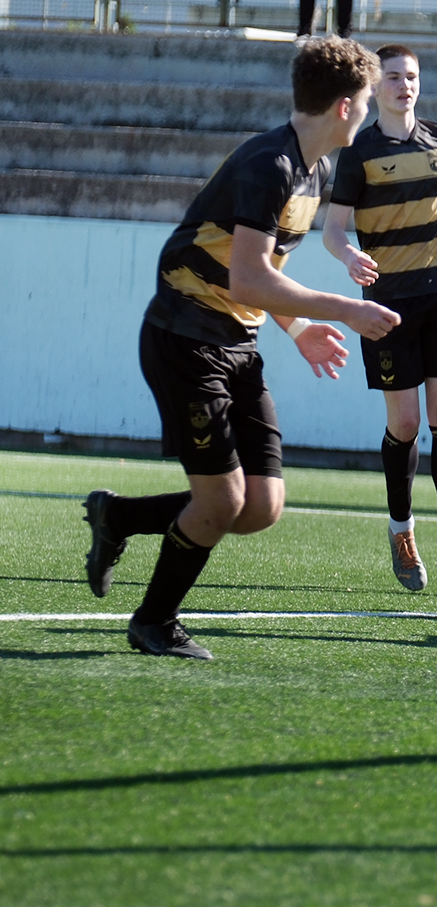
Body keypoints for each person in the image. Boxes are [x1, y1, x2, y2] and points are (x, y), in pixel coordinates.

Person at [81, 39, 397, 660]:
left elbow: (261, 272)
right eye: (365, 100)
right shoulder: (269, 164)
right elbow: (246, 279)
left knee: (259, 507)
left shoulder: (318, 170)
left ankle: (116, 519)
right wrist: (343, 309)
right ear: (343, 106)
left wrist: (298, 329)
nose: (367, 111)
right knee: (222, 501)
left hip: (237, 343)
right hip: (184, 338)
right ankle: (153, 623)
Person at [325, 45, 437, 592]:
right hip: (388, 306)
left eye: (411, 76)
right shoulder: (358, 151)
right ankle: (401, 530)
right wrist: (348, 256)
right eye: (393, 77)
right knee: (406, 423)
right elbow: (333, 228)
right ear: (377, 85)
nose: (404, 85)